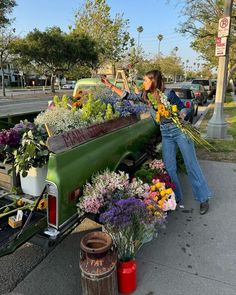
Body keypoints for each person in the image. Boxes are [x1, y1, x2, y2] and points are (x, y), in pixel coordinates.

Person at [101, 70, 212, 215]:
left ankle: (203, 198)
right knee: (169, 167)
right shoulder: (146, 95)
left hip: (179, 131)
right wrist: (110, 86)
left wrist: (182, 114)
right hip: (166, 133)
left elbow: (184, 107)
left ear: (154, 81)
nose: (144, 83)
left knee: (191, 165)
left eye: (146, 80)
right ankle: (176, 198)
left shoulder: (169, 94)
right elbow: (127, 95)